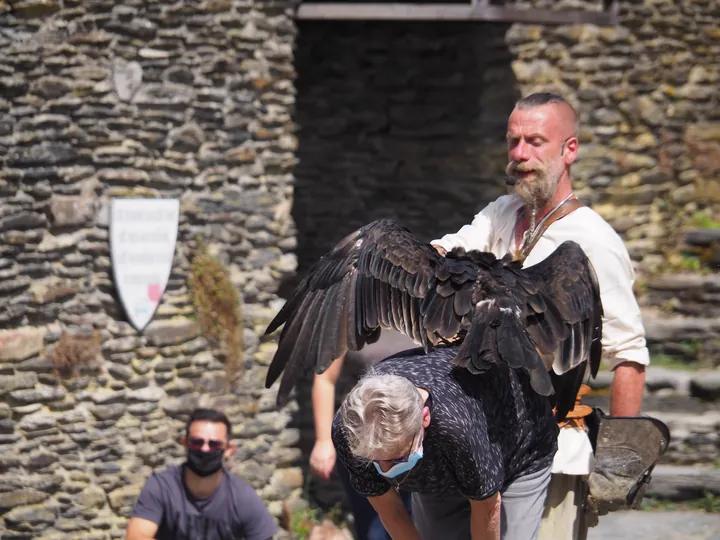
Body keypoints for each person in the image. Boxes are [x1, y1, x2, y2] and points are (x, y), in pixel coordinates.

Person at [431, 92, 649, 539]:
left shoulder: (594, 239)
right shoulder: (501, 213)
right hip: (478, 443)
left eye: (535, 141)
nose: (520, 155)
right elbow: (445, 255)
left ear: (569, 149)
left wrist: (617, 464)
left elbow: (629, 355)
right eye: (513, 142)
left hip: (552, 451)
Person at [332, 346, 559, 540]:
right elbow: (391, 511)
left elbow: (487, 508)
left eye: (398, 458)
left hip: (519, 450)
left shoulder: (456, 428)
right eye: (374, 461)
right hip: (439, 463)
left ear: (425, 418)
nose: (386, 470)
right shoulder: (350, 429)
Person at [310, 329, 415, 540]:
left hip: (413, 441)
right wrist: (323, 441)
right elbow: (324, 379)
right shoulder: (351, 314)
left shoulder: (429, 309)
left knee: (417, 520)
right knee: (373, 528)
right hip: (362, 442)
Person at [125, 408, 278, 540]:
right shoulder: (161, 486)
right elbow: (136, 537)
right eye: (197, 442)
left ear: (229, 449)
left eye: (214, 444)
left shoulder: (242, 497)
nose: (205, 449)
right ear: (185, 444)